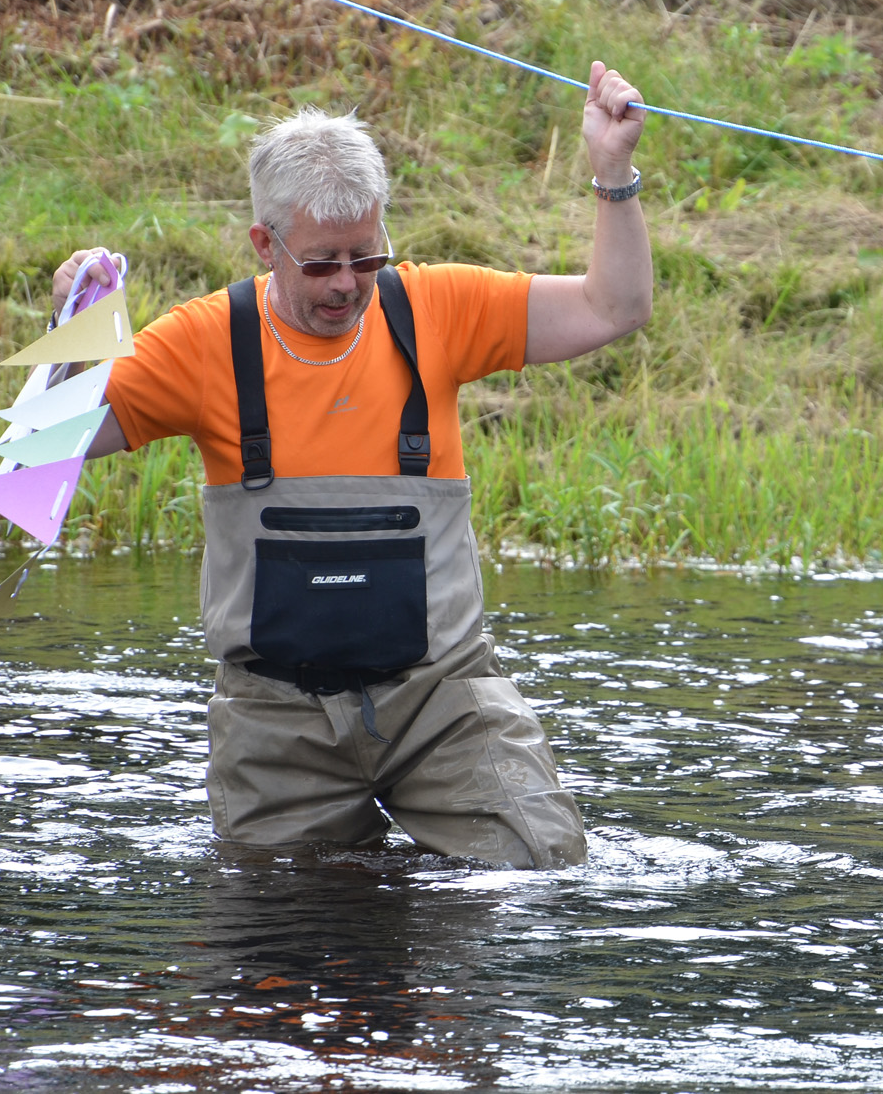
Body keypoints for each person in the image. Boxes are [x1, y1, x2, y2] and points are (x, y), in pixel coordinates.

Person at [50, 62, 654, 869]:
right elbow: (51, 448)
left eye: (365, 259)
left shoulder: (437, 306)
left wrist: (611, 173)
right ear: (266, 243)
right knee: (284, 933)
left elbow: (614, 307)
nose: (347, 285)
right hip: (275, 718)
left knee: (540, 877)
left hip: (444, 698)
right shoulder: (202, 343)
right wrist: (75, 337)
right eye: (322, 262)